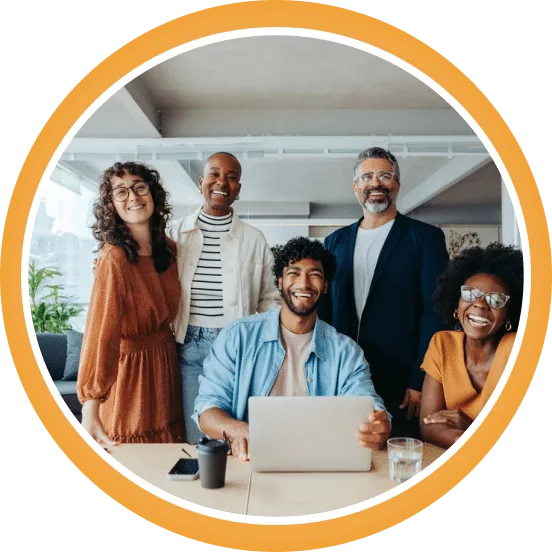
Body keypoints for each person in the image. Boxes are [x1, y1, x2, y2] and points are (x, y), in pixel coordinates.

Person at [194, 237, 391, 460]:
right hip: (250, 460)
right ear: (279, 281)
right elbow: (207, 409)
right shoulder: (237, 337)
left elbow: (367, 402)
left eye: (315, 275)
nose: (304, 284)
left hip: (320, 462)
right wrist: (243, 432)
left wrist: (378, 425)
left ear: (325, 286)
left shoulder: (346, 352)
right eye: (294, 273)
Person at [319, 147, 449, 438]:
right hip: (344, 379)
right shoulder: (334, 242)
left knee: (397, 463)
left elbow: (435, 312)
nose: (375, 183)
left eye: (384, 176)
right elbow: (325, 314)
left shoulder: (425, 238)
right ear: (356, 188)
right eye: (367, 177)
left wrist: (420, 380)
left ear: (397, 185)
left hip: (401, 382)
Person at [168, 152, 280, 443]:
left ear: (238, 189)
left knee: (239, 430)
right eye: (215, 174)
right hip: (187, 345)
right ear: (201, 181)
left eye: (231, 177)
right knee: (200, 434)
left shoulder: (254, 238)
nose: (222, 182)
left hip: (237, 346)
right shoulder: (175, 232)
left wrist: (258, 335)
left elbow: (270, 297)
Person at [78, 162, 184, 445]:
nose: (133, 198)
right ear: (111, 205)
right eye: (121, 192)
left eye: (139, 188)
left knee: (169, 454)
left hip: (165, 363)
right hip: (131, 372)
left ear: (153, 195)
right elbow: (101, 333)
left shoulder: (169, 250)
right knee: (134, 454)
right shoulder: (114, 258)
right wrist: (91, 406)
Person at [420, 243, 523, 448]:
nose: (481, 304)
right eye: (470, 294)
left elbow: (519, 439)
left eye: (496, 300)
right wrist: (471, 438)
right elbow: (428, 426)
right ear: (456, 307)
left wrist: (469, 426)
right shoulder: (442, 344)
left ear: (508, 316)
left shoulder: (516, 350)